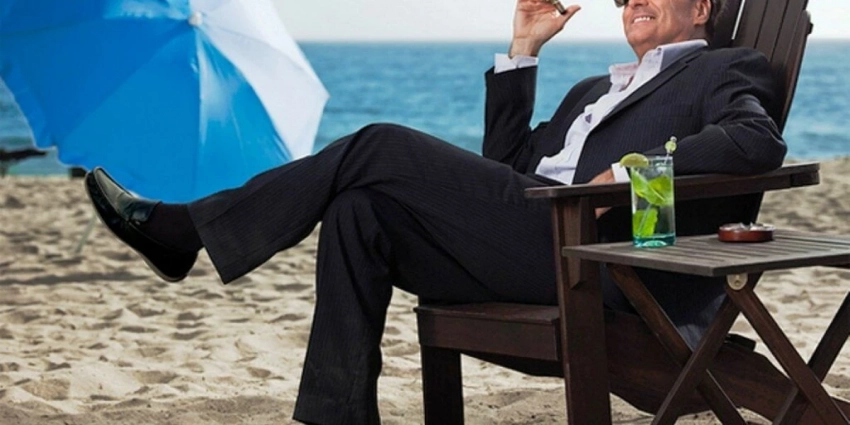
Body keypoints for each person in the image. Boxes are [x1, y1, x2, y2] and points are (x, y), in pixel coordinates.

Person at [84, 0, 786, 423]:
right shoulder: (591, 90)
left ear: (703, 8)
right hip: (536, 237)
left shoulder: (724, 68)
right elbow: (507, 164)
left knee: (380, 144)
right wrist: (522, 50)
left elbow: (755, 138)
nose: (633, 0)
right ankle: (338, 416)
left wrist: (636, 174)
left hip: (601, 260)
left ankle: (187, 230)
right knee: (359, 210)